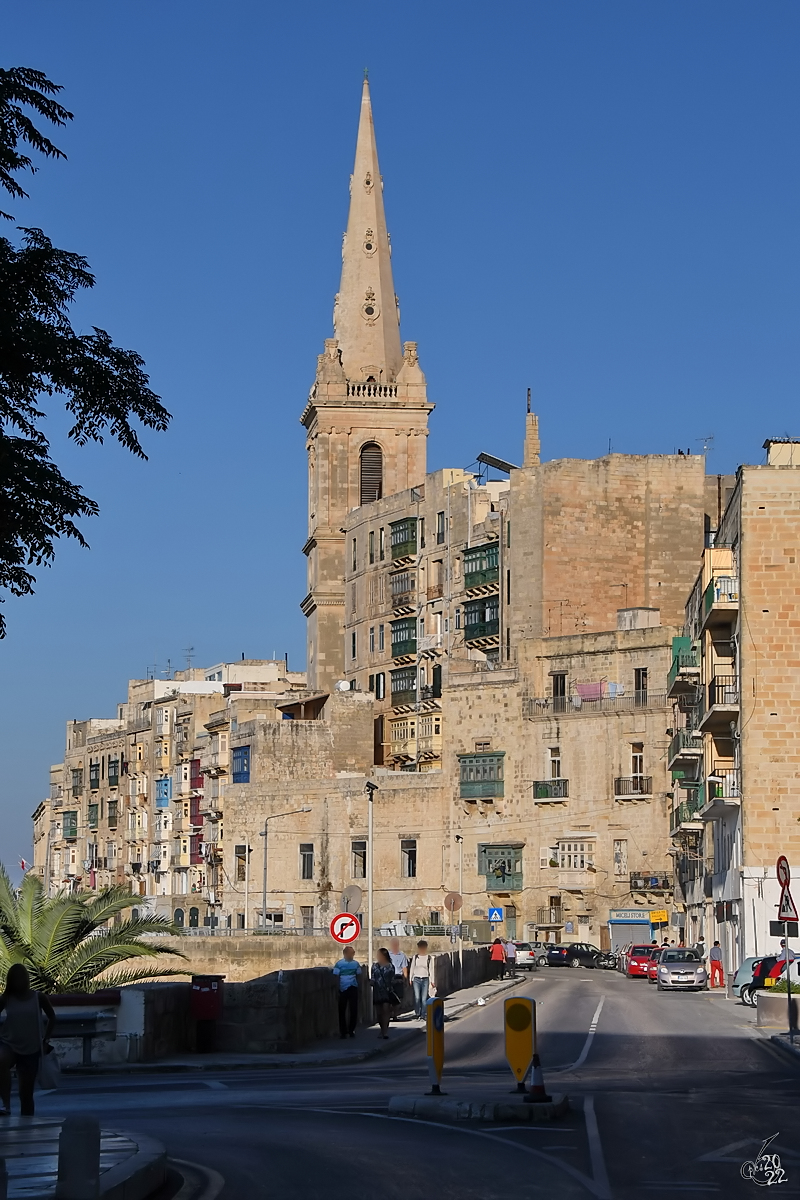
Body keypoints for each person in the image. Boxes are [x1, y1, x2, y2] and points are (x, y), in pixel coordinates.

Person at [0, 964, 56, 1117]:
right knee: (2, 1062)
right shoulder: (6, 998)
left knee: (26, 1092)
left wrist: (46, 1040)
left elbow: (52, 1016)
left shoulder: (38, 997)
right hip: (9, 1043)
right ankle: (5, 1104)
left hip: (32, 1047)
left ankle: (27, 1118)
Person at [332, 945, 361, 1039]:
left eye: (353, 953)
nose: (352, 955)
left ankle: (351, 1029)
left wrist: (358, 988)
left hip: (353, 987)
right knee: (342, 1010)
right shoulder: (339, 964)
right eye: (351, 953)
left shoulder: (356, 964)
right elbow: (336, 977)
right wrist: (337, 989)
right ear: (345, 954)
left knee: (353, 1010)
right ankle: (343, 1031)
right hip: (342, 989)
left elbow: (359, 976)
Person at [370, 948, 397, 1039]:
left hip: (387, 991)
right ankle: (382, 1030)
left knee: (386, 1011)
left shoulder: (390, 966)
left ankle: (385, 1031)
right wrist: (370, 982)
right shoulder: (374, 966)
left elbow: (392, 979)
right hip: (377, 991)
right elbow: (373, 977)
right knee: (379, 1013)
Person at [409, 941, 435, 1018]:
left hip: (425, 979)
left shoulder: (429, 958)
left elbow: (431, 970)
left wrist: (432, 981)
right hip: (416, 979)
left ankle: (423, 1013)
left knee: (424, 998)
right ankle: (417, 1012)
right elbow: (412, 968)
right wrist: (410, 978)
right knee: (417, 997)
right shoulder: (415, 957)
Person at [387, 937, 409, 1021]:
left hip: (398, 977)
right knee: (389, 998)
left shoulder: (402, 956)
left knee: (398, 999)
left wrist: (405, 980)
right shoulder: (388, 955)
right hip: (389, 977)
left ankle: (395, 1015)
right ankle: (389, 1015)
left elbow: (404, 968)